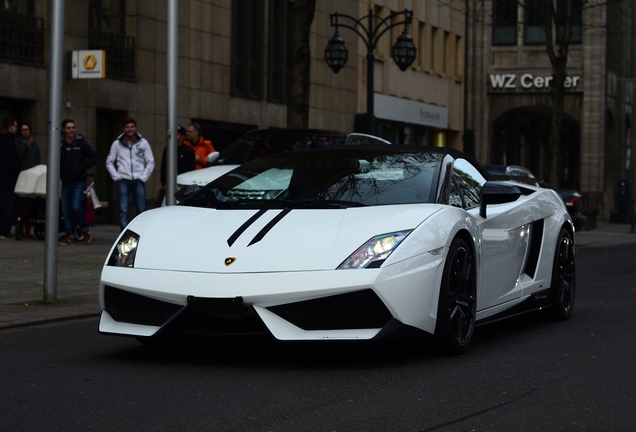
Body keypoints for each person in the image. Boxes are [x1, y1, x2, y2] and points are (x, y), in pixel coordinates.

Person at [106, 118, 155, 230]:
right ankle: (124, 234)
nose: (130, 129)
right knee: (123, 210)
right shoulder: (117, 143)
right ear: (123, 129)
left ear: (135, 128)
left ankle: (142, 232)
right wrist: (117, 177)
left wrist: (143, 177)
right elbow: (109, 162)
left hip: (138, 179)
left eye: (132, 127)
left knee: (141, 209)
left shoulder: (143, 143)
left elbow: (150, 161)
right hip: (123, 180)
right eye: (127, 127)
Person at [59, 119, 97, 245]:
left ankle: (85, 230)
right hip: (66, 181)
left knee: (76, 206)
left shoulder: (81, 143)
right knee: (66, 209)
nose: (71, 130)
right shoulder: (60, 144)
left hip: (78, 181)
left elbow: (93, 157)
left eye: (73, 127)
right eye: (68, 128)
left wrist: (81, 168)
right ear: (64, 130)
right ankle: (69, 235)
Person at [14, 122, 42, 238]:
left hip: (34, 176)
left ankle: (29, 229)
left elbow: (37, 157)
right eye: (23, 130)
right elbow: (17, 156)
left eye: (27, 130)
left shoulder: (34, 143)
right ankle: (21, 227)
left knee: (31, 204)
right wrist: (24, 145)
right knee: (21, 204)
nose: (25, 132)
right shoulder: (18, 143)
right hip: (23, 176)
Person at [158, 125, 195, 204]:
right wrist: (164, 183)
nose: (175, 136)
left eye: (177, 134)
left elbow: (192, 169)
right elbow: (164, 167)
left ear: (182, 136)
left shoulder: (188, 151)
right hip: (169, 184)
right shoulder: (167, 149)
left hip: (182, 185)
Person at [0, 116, 20, 239]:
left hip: (6, 178)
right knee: (7, 205)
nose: (16, 129)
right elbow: (10, 160)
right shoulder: (7, 141)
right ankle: (4, 230)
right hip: (8, 179)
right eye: (16, 126)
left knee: (6, 204)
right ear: (10, 127)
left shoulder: (7, 140)